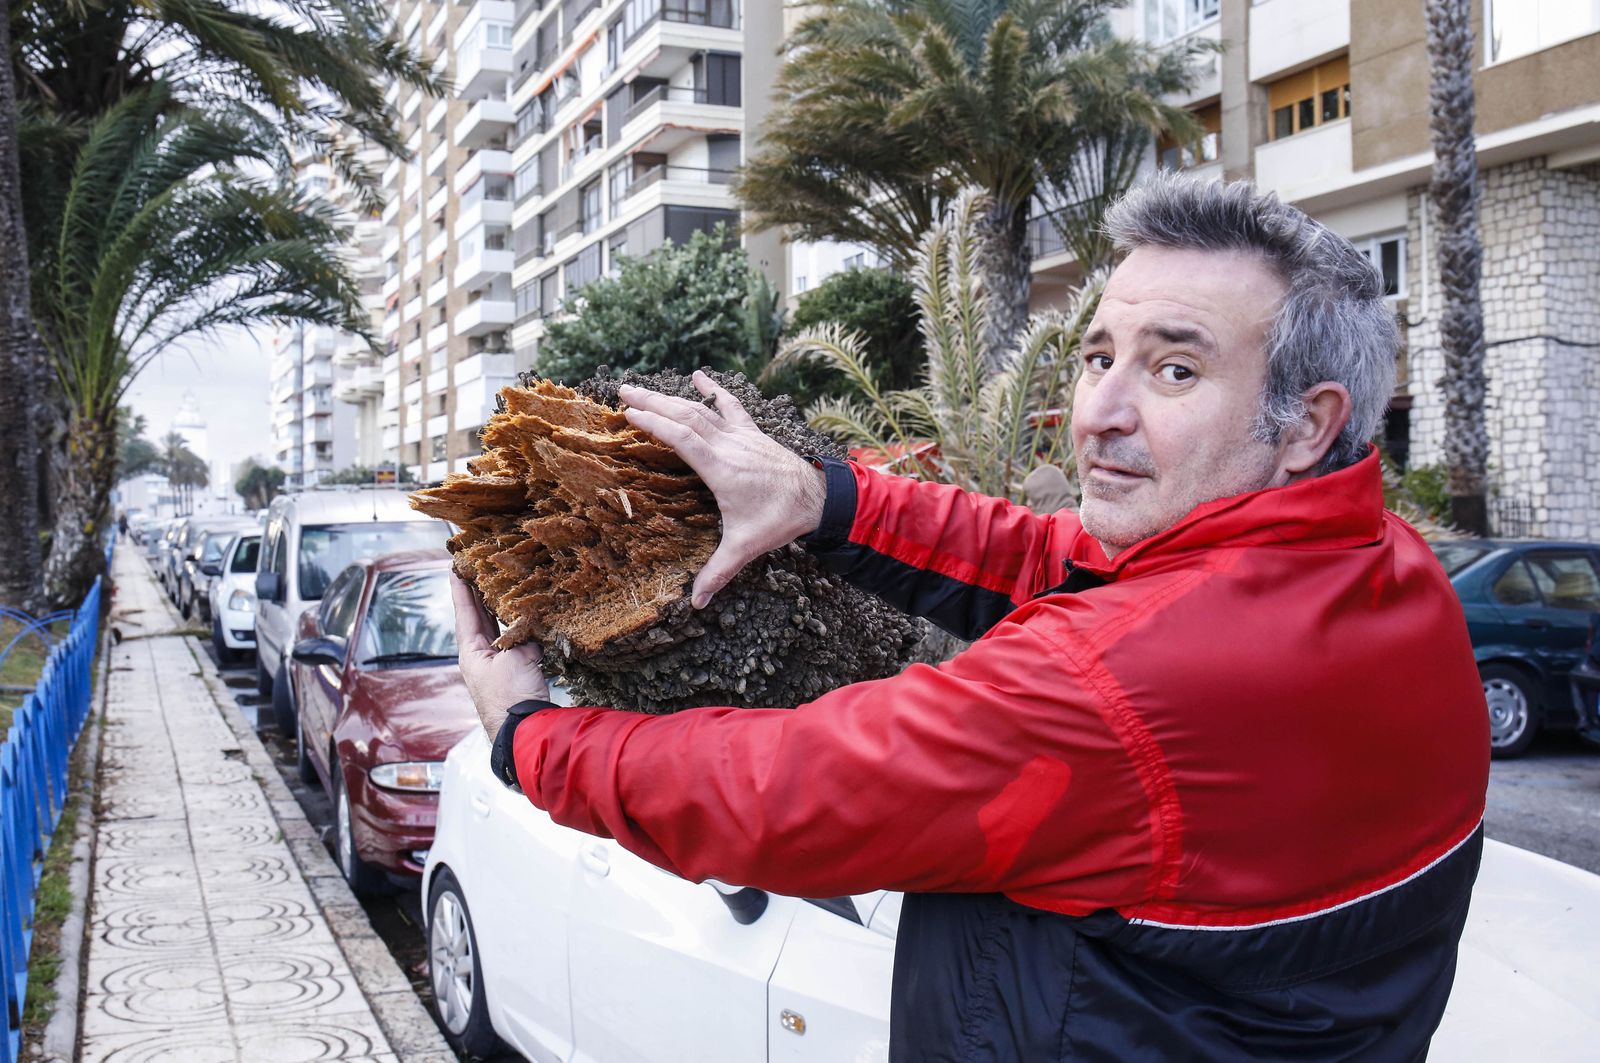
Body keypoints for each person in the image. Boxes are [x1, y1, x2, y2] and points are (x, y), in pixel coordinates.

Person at [451, 175, 1489, 1061]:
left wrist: (530, 736)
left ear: (1306, 423)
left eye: (1175, 368)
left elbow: (790, 789)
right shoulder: (1389, 574)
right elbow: (1053, 562)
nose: (1099, 413)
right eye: (1097, 358)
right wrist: (829, 499)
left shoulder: (1115, 691)